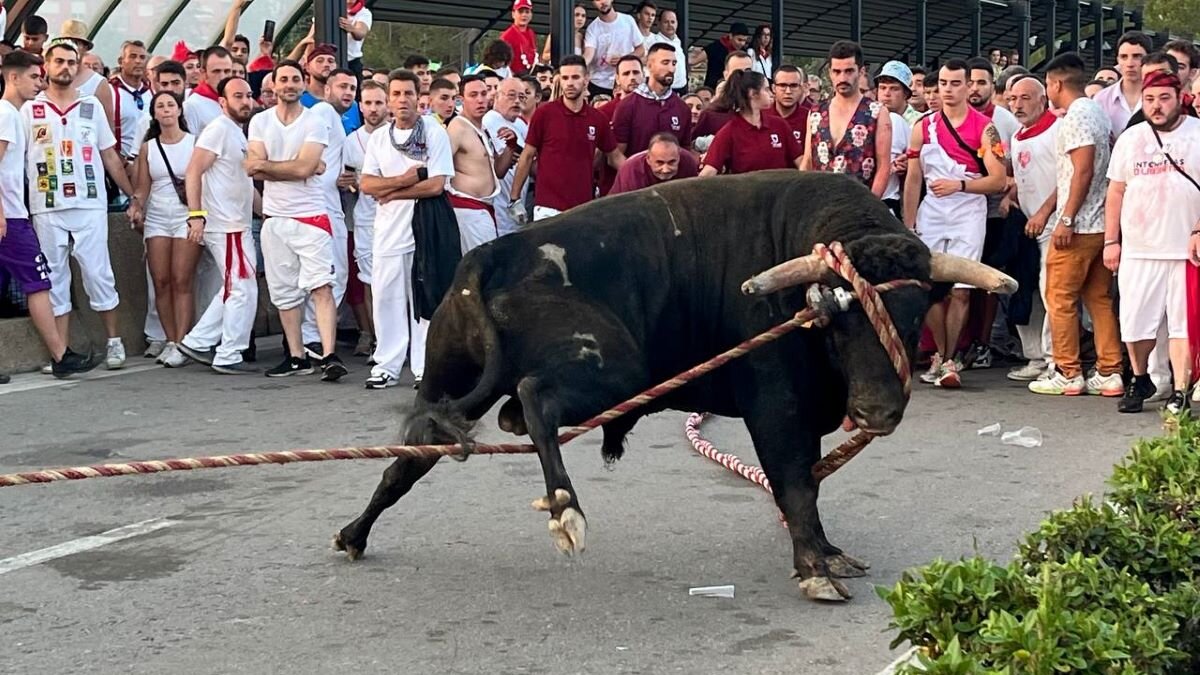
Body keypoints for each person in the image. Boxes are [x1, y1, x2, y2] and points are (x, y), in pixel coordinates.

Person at [23, 39, 138, 370]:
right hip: (45, 204)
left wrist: (131, 194)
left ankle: (113, 342)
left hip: (89, 203)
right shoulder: (29, 109)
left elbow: (109, 156)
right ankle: (62, 352)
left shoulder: (91, 106)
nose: (65, 67)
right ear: (46, 65)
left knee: (98, 272)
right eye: (58, 61)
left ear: (79, 67)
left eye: (71, 62)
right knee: (55, 279)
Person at [902, 59, 1007, 388]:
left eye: (955, 83)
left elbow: (998, 179)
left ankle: (948, 359)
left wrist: (960, 185)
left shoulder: (985, 128)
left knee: (962, 290)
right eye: (943, 83)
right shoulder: (923, 126)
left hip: (968, 211)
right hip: (932, 212)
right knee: (929, 286)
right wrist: (908, 222)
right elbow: (914, 178)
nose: (948, 90)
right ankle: (941, 354)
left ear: (967, 86)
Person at [246, 60, 347, 382]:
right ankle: (296, 356)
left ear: (303, 84)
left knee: (321, 286)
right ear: (273, 85)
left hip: (311, 217)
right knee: (284, 293)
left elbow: (304, 168)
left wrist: (269, 166)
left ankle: (329, 355)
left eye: (294, 79)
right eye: (283, 79)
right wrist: (295, 166)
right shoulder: (260, 121)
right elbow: (251, 168)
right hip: (275, 218)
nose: (289, 85)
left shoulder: (314, 121)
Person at [1103, 70, 1198, 414]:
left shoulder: (1197, 134)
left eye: (1164, 99)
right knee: (1134, 323)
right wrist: (1111, 241)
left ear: (1179, 97)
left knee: (1182, 324)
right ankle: (1140, 377)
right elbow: (1115, 191)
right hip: (1139, 248)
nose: (1156, 107)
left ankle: (1181, 389)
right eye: (1150, 100)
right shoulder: (1131, 139)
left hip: (1186, 250)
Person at [1029, 53, 1121, 398]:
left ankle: (1068, 371)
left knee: (1060, 298)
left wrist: (1065, 218)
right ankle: (1109, 371)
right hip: (1100, 223)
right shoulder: (1096, 111)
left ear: (1055, 84)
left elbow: (1082, 170)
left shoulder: (1077, 118)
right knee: (1098, 298)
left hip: (1078, 226)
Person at [0, 50, 96, 377]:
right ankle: (60, 355)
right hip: (9, 216)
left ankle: (61, 354)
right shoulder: (8, 114)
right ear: (13, 77)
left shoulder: (10, 113)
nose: (38, 83)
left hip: (13, 213)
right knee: (39, 282)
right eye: (32, 76)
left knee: (38, 282)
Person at [359, 69, 454, 390]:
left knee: (424, 300)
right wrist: (402, 180)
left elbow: (436, 184)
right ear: (388, 100)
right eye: (396, 94)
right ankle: (386, 364)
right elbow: (367, 183)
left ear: (419, 98)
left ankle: (424, 367)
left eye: (408, 94)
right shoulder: (378, 139)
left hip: (425, 230)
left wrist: (391, 193)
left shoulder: (434, 133)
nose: (402, 100)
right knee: (386, 297)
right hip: (388, 232)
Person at [177, 76, 259, 374]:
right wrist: (196, 214)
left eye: (249, 95)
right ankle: (228, 352)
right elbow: (193, 170)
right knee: (241, 288)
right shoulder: (219, 130)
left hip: (236, 222)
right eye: (238, 96)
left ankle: (198, 342)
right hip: (227, 225)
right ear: (222, 102)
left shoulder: (236, 133)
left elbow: (244, 185)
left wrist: (267, 212)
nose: (246, 101)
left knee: (236, 286)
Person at [130, 91, 199, 368]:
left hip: (186, 214)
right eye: (161, 106)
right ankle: (171, 340)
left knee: (182, 279)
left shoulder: (195, 143)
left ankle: (182, 341)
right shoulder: (149, 147)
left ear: (180, 110)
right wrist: (136, 206)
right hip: (157, 216)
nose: (167, 110)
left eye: (171, 105)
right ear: (154, 114)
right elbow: (142, 188)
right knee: (161, 280)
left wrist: (198, 215)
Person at [509, 55, 623, 221]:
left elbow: (615, 157)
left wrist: (642, 174)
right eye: (565, 78)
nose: (569, 83)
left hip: (583, 207)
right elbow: (527, 156)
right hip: (547, 207)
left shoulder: (598, 119)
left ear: (586, 79)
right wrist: (514, 199)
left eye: (575, 77)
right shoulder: (544, 114)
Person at [1007, 75, 1058, 382]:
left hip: (1052, 225)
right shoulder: (1016, 136)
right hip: (1025, 228)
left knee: (1053, 293)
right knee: (1026, 292)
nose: (1018, 104)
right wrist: (1012, 195)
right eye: (1013, 98)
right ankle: (1035, 357)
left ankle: (1057, 360)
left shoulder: (1058, 129)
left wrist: (1044, 212)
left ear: (1043, 98)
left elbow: (1069, 177)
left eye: (1025, 98)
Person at [801, 41, 891, 197]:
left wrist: (870, 206)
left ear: (861, 72)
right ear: (829, 73)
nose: (842, 78)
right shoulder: (815, 112)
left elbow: (884, 167)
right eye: (837, 72)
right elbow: (808, 161)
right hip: (819, 204)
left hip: (859, 204)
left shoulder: (877, 112)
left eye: (849, 71)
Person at [342, 79, 389, 357]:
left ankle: (400, 339)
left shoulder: (398, 136)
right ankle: (376, 339)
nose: (373, 108)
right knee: (371, 281)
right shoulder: (351, 141)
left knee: (397, 282)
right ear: (361, 106)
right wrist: (347, 182)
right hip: (365, 219)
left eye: (378, 103)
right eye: (368, 103)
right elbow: (347, 180)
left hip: (396, 218)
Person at [447, 74, 516, 252]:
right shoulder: (457, 128)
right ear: (461, 100)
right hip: (467, 210)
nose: (480, 100)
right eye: (473, 95)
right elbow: (440, 168)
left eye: (484, 94)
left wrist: (511, 146)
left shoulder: (482, 128)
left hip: (484, 208)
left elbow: (498, 172)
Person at [699, 70, 803, 176]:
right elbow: (709, 171)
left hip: (782, 191)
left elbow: (801, 162)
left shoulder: (780, 125)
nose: (771, 94)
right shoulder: (729, 131)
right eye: (766, 89)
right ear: (752, 93)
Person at [613, 43, 692, 158]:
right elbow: (616, 155)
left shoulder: (682, 108)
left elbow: (685, 151)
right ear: (649, 66)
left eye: (674, 63)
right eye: (665, 63)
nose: (671, 68)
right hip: (637, 174)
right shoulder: (627, 105)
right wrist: (633, 174)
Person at [484, 77, 530, 236]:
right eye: (511, 96)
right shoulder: (487, 122)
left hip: (518, 202)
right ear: (496, 96)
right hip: (497, 202)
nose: (517, 101)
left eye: (522, 97)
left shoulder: (521, 125)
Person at [874, 61, 914, 218]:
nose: (886, 93)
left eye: (894, 88)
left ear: (906, 93)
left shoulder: (919, 122)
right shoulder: (867, 118)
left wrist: (909, 163)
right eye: (883, 88)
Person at [1094, 31, 1152, 139]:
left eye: (1137, 56)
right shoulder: (1101, 99)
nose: (1130, 63)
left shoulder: (1160, 97)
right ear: (1118, 60)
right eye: (1124, 57)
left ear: (1149, 59)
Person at [582, 0, 645, 97]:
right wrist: (578, 65)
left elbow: (641, 49)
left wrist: (623, 59)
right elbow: (589, 53)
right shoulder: (592, 28)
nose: (602, 2)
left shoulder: (628, 20)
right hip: (599, 83)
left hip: (626, 82)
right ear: (593, 3)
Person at [691, 51, 753, 144]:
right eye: (737, 72)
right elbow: (690, 145)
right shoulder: (711, 114)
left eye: (748, 71)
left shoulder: (763, 110)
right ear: (726, 75)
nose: (743, 76)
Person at [611, 131, 698, 193]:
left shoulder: (688, 162)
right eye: (660, 163)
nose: (665, 169)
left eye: (672, 162)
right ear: (648, 159)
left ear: (679, 156)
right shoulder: (631, 169)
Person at [109, 40, 152, 162]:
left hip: (149, 162)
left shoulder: (151, 92)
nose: (138, 61)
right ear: (121, 62)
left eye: (142, 57)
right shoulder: (110, 91)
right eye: (133, 56)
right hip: (121, 163)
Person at [183, 46, 234, 134]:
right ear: (203, 73)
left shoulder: (237, 99)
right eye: (216, 71)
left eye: (227, 71)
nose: (222, 77)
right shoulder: (192, 106)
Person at [764, 65, 810, 148]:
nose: (788, 91)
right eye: (782, 85)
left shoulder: (809, 119)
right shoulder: (761, 116)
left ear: (801, 88)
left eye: (793, 86)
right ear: (774, 88)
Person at [700, 22, 750, 89]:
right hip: (714, 87)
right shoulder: (716, 47)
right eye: (739, 40)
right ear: (731, 36)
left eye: (745, 41)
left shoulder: (744, 51)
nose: (742, 43)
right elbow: (695, 60)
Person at [655, 9, 688, 97]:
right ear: (659, 24)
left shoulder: (678, 41)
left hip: (682, 89)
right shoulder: (654, 41)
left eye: (672, 22)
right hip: (666, 89)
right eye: (666, 22)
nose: (670, 25)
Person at [501, 0, 539, 75]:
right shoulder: (507, 36)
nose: (524, 15)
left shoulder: (531, 33)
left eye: (527, 12)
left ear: (531, 15)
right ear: (513, 14)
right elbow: (503, 63)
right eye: (520, 12)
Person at [340, 0, 373, 81]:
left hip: (351, 62)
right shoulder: (329, 9)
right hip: (330, 59)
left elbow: (360, 33)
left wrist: (352, 29)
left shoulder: (364, 13)